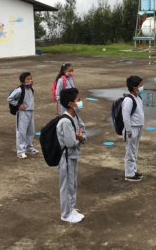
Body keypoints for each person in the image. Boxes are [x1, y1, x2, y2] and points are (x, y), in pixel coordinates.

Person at [57, 88, 87, 223]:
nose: (80, 102)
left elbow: (82, 131)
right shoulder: (65, 121)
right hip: (66, 157)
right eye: (78, 100)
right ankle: (65, 214)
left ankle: (71, 208)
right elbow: (70, 143)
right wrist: (79, 139)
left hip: (73, 156)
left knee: (72, 184)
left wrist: (81, 137)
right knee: (66, 185)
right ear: (70, 103)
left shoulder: (75, 117)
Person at [7, 72, 39, 159]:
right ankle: (20, 151)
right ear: (22, 82)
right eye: (28, 79)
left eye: (30, 79)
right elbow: (10, 99)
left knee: (31, 131)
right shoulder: (19, 90)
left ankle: (29, 147)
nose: (30, 81)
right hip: (23, 113)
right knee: (21, 132)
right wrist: (18, 104)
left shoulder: (31, 89)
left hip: (31, 111)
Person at [123, 76, 145, 182]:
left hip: (138, 127)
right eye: (140, 85)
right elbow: (126, 116)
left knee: (134, 150)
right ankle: (129, 174)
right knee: (130, 151)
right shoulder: (128, 99)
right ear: (134, 87)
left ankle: (133, 170)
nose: (142, 87)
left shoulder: (138, 97)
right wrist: (128, 130)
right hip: (132, 129)